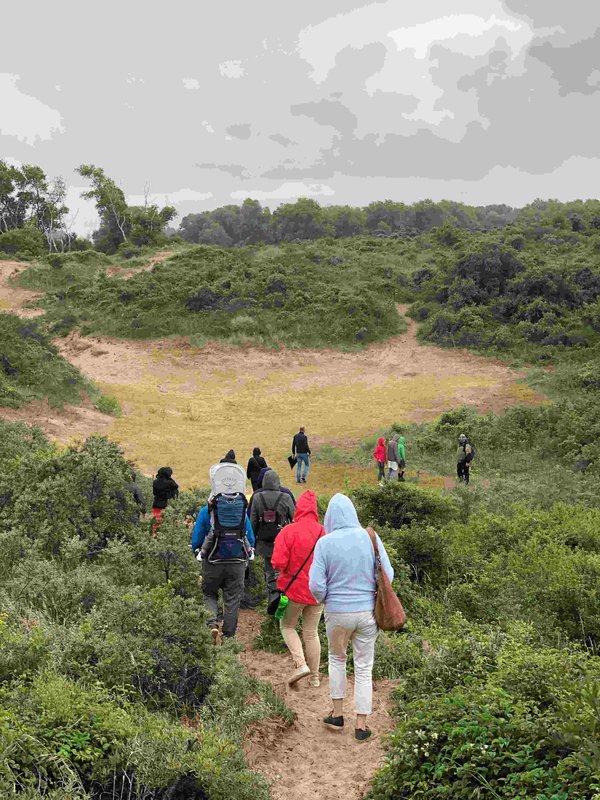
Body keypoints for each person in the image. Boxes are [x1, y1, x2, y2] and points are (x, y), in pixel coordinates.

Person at [309, 493, 394, 742]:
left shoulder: (324, 543)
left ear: (330, 518)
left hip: (336, 613)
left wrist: (326, 598)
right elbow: (388, 574)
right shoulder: (370, 537)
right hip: (367, 614)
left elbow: (315, 585)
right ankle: (361, 725)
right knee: (364, 668)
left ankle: (337, 715)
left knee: (337, 659)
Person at [191, 464, 255, 642]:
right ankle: (228, 637)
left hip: (212, 560)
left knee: (209, 593)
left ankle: (212, 624)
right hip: (237, 561)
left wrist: (197, 550)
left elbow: (196, 538)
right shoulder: (240, 510)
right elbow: (249, 534)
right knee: (233, 599)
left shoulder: (208, 510)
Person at [271, 490, 325, 687]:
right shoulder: (324, 531)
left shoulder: (288, 531)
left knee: (287, 626)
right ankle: (315, 677)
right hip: (318, 592)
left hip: (293, 591)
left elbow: (278, 563)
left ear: (298, 509)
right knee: (311, 632)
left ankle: (301, 664)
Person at [249, 470, 295, 609]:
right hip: (283, 541)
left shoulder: (257, 498)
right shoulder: (286, 497)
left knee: (269, 570)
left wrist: (253, 542)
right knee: (283, 571)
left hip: (264, 541)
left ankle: (272, 597)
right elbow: (294, 519)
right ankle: (283, 599)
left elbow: (253, 522)